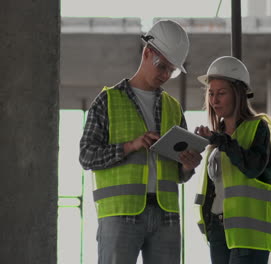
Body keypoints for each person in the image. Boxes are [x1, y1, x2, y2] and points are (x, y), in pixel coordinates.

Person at [79, 19, 202, 264]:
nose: (166, 75)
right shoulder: (107, 101)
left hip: (166, 214)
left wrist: (188, 165)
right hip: (119, 213)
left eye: (172, 70)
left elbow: (180, 174)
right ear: (147, 52)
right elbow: (86, 156)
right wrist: (130, 146)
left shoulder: (173, 108)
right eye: (162, 66)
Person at [193, 56, 271, 264]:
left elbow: (252, 167)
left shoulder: (257, 127)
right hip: (218, 230)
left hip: (248, 234)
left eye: (221, 93)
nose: (214, 100)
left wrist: (222, 141)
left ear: (239, 94)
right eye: (211, 93)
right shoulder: (217, 139)